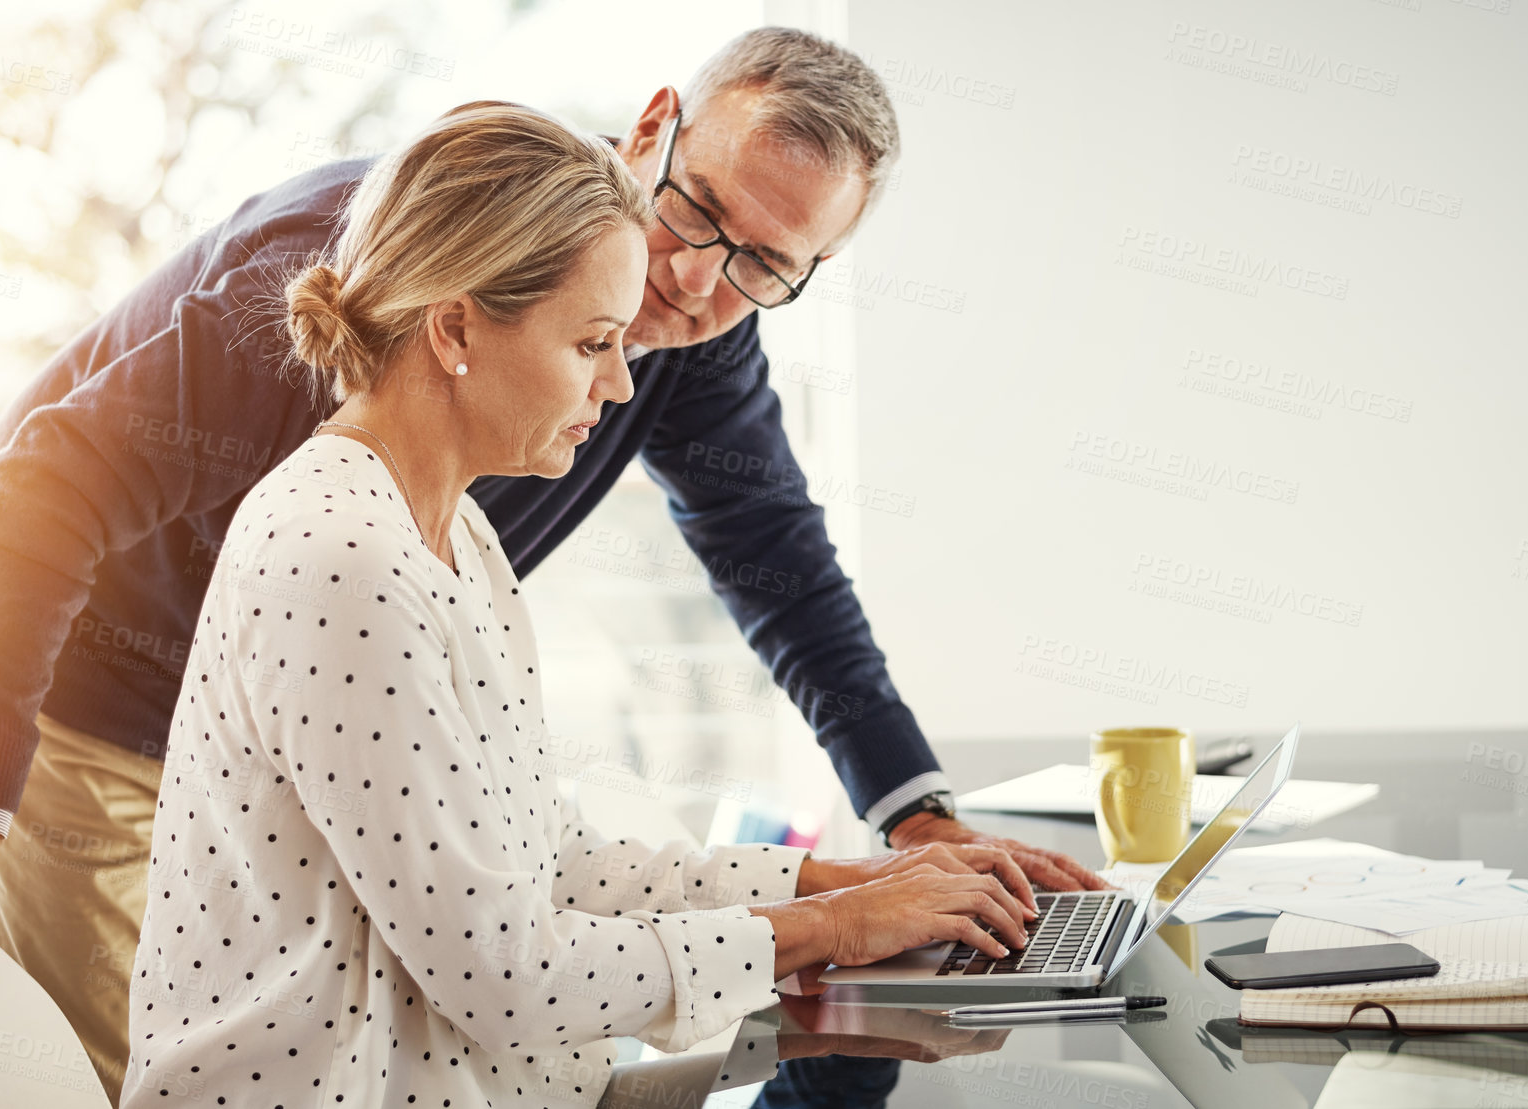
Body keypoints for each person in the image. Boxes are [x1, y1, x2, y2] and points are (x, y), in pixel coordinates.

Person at [0, 26, 1102, 1106]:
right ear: (655, 126)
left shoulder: (488, 502)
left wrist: (902, 840)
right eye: (699, 213)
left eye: (767, 265)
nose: (696, 286)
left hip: (318, 658)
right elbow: (35, 495)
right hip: (87, 642)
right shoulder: (361, 293)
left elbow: (778, 570)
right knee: (165, 1030)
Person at [121, 100, 1035, 1109]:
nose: (615, 385)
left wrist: (841, 886)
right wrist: (824, 934)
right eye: (592, 341)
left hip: (502, 1081)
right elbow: (507, 975)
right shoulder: (343, 559)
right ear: (458, 325)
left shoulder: (454, 535)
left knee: (858, 1054)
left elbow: (550, 862)